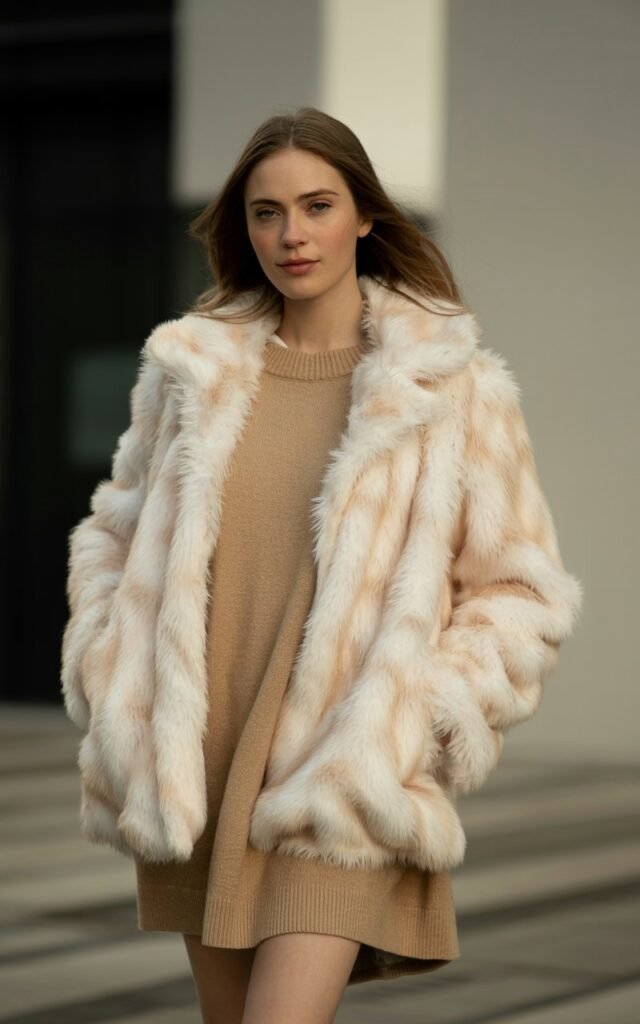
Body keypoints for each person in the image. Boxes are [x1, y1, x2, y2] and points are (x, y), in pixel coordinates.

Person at [60, 106, 584, 1024]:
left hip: (340, 777)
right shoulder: (191, 373)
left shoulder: (449, 387)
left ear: (365, 216)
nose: (292, 235)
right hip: (198, 768)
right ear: (244, 226)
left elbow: (520, 588)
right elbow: (114, 531)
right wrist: (113, 673)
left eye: (317, 205)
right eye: (267, 213)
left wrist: (406, 723)